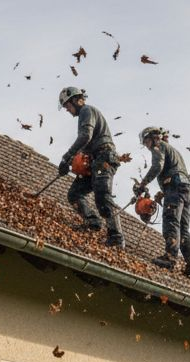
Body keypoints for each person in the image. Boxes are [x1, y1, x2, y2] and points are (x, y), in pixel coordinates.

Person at [57, 86, 124, 247]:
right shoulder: (84, 114)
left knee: (102, 195)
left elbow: (85, 136)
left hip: (104, 157)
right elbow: (85, 143)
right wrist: (73, 162)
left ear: (75, 100)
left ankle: (116, 236)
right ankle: (92, 221)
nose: (67, 110)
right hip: (93, 160)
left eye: (67, 106)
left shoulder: (86, 110)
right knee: (74, 194)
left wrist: (67, 157)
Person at [135, 126, 190, 279]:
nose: (147, 146)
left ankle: (170, 258)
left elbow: (158, 166)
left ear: (152, 138)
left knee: (171, 221)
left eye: (146, 142)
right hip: (185, 189)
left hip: (175, 188)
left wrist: (142, 184)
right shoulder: (173, 150)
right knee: (183, 229)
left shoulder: (159, 147)